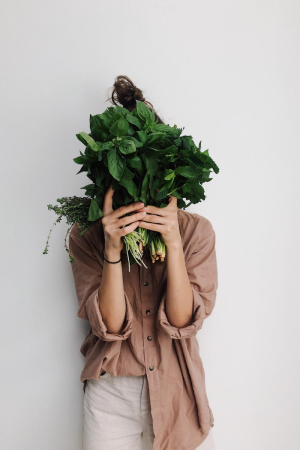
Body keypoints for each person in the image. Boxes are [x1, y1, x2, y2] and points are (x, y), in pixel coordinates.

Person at [69, 75, 218, 450]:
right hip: (111, 394)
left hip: (176, 388)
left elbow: (184, 323)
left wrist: (171, 241)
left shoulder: (195, 232)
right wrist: (113, 249)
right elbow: (111, 326)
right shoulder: (85, 235)